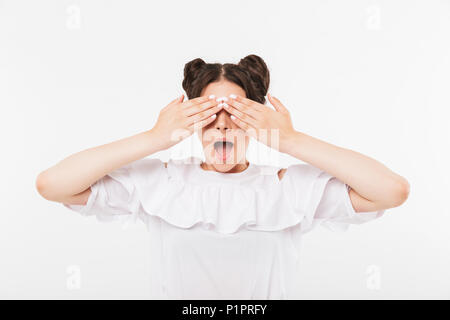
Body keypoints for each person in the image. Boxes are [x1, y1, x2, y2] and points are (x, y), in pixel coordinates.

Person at [36, 54, 410, 299]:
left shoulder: (288, 187)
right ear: (193, 120)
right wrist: (154, 139)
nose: (223, 125)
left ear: (256, 119)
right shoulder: (162, 182)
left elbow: (391, 191)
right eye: (209, 113)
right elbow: (52, 185)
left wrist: (291, 140)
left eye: (236, 112)